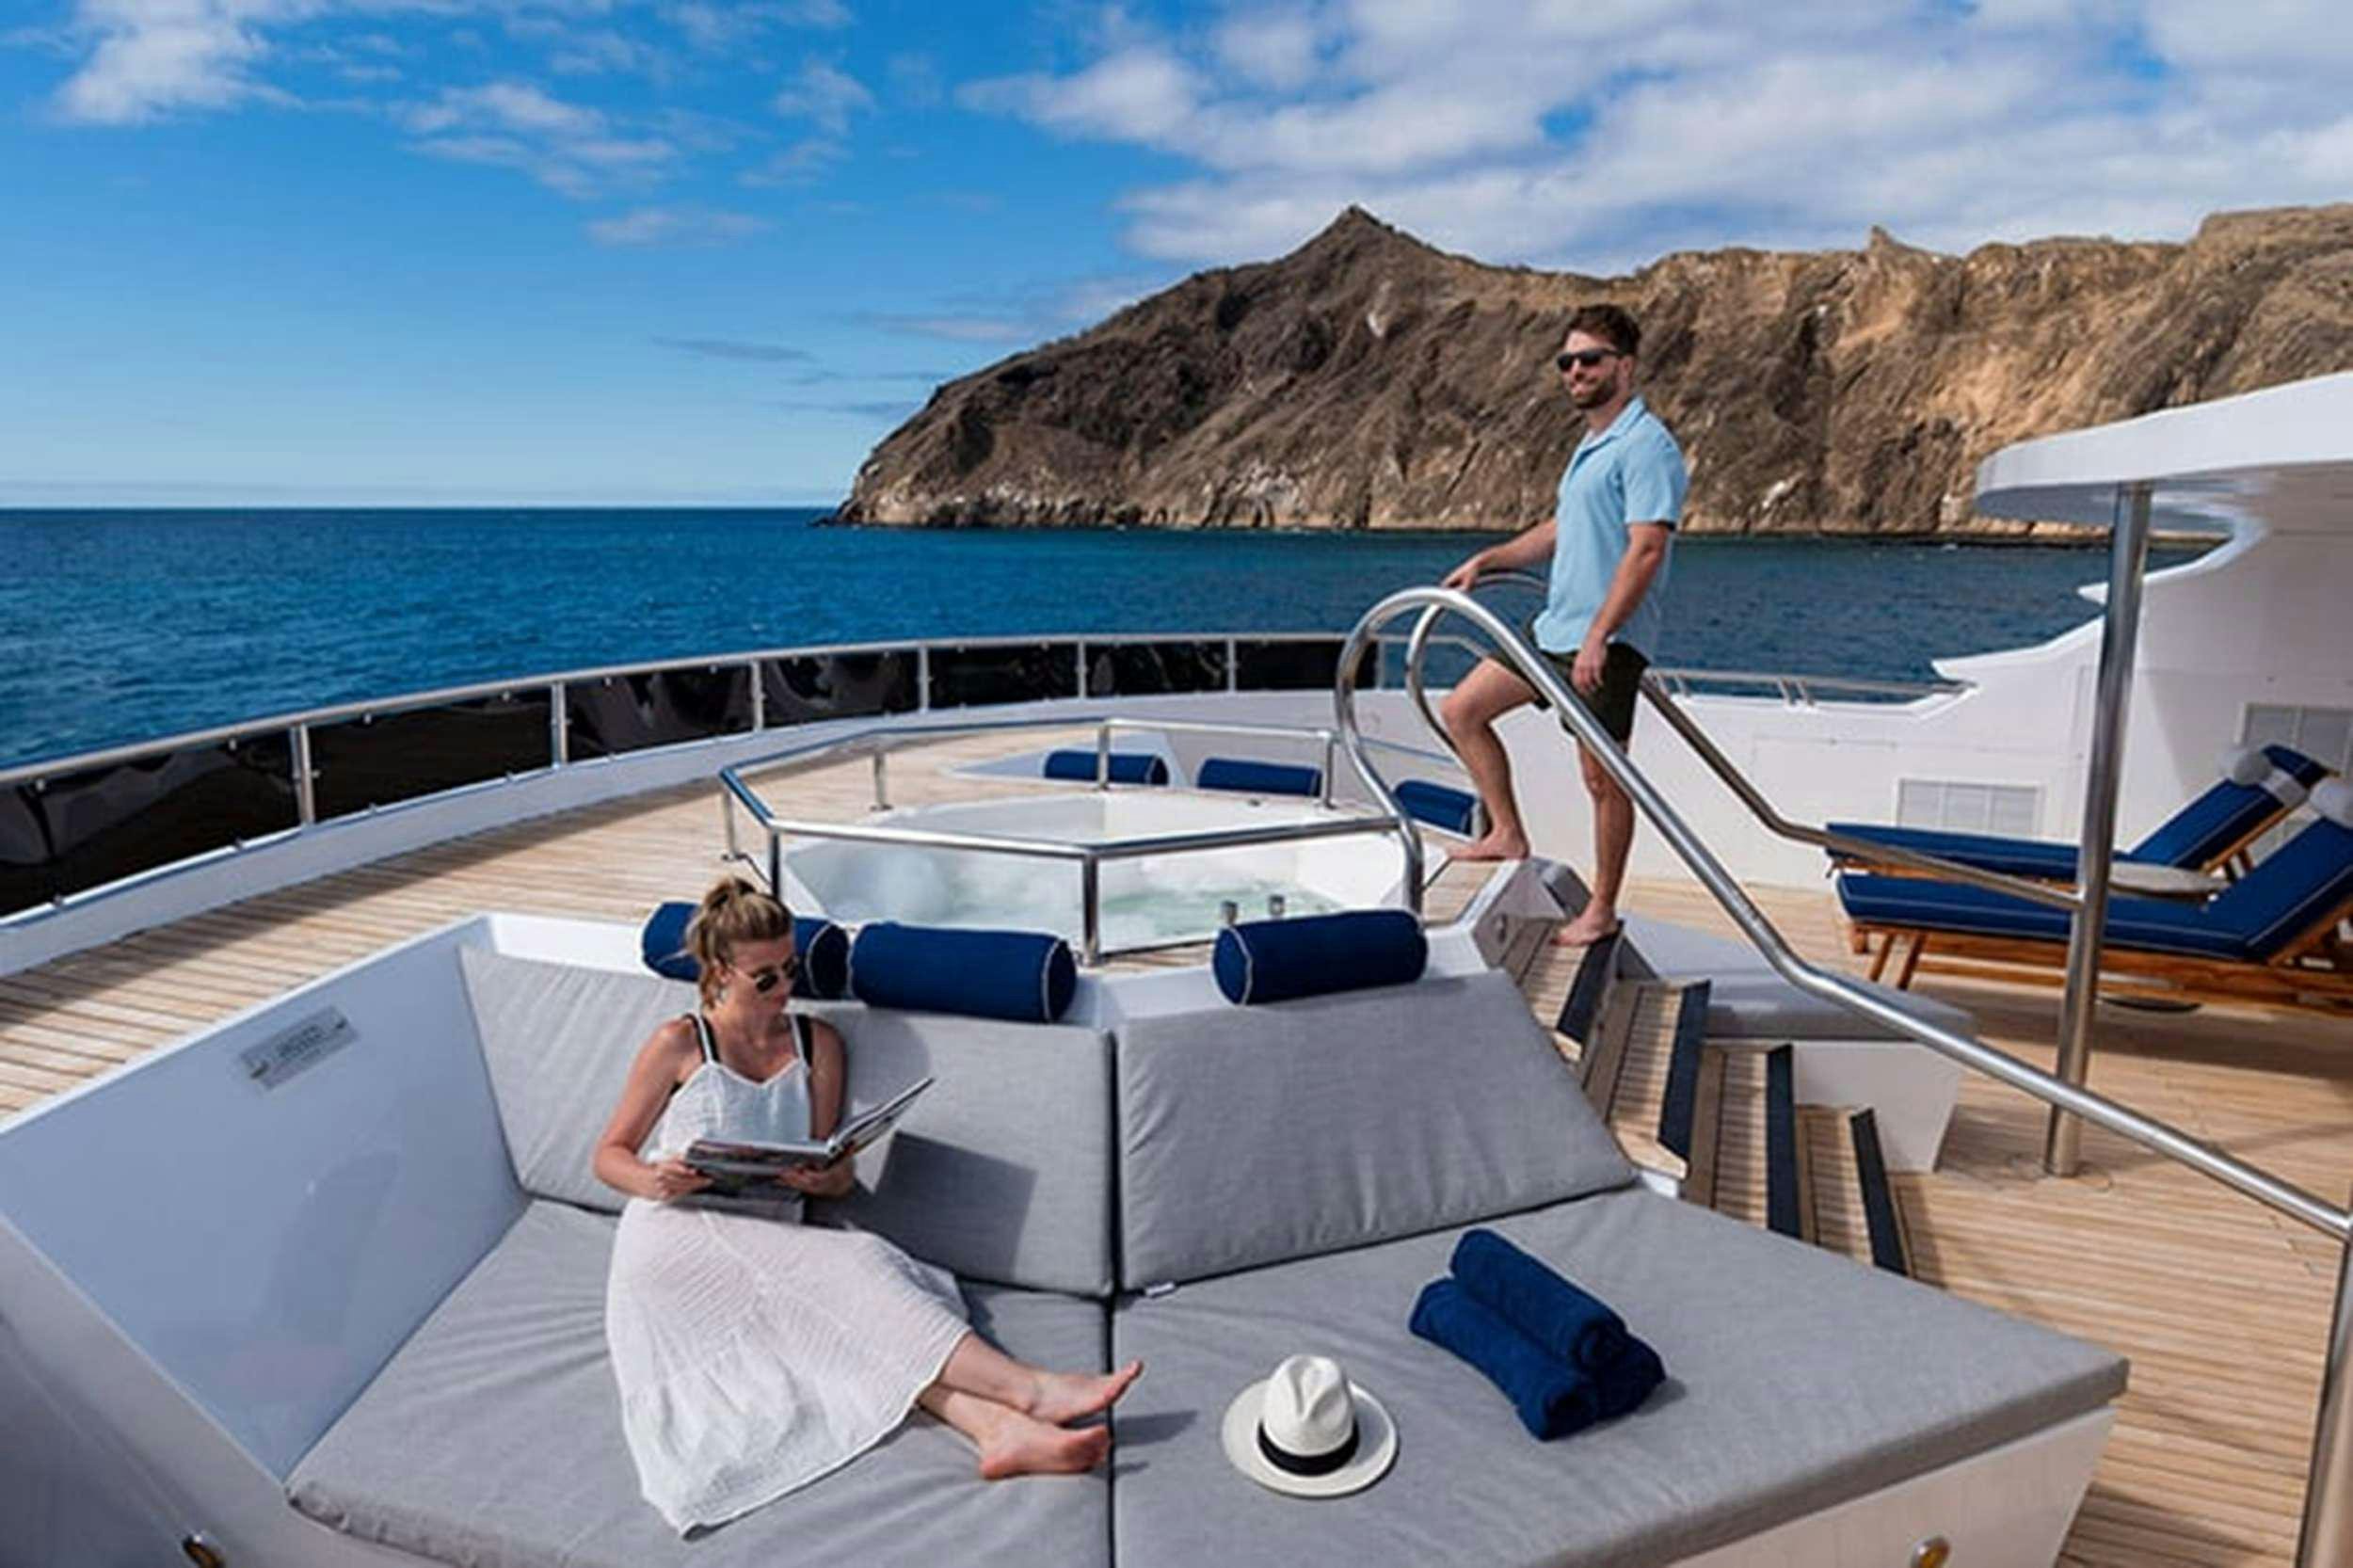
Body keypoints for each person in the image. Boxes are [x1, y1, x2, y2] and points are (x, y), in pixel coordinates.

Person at [594, 876, 1141, 1532]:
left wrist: (824, 1180)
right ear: (718, 972)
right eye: (763, 978)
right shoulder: (677, 1043)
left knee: (854, 1309)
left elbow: (835, 1168)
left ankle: (996, 1430)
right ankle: (1028, 1388)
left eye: (789, 969)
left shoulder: (818, 1044)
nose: (783, 988)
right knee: (857, 1267)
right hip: (677, 1239)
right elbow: (610, 1154)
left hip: (770, 1233)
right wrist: (654, 1179)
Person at [1439, 302, 1687, 946]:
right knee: (1463, 710)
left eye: (1589, 360)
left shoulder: (1647, 445)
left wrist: (1601, 634)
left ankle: (1601, 910)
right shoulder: (1592, 444)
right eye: (1567, 362)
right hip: (1553, 629)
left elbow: (1647, 548)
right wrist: (1489, 561)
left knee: (1603, 779)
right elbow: (1561, 529)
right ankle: (1506, 833)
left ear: (1623, 367)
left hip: (1605, 640)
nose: (1575, 371)